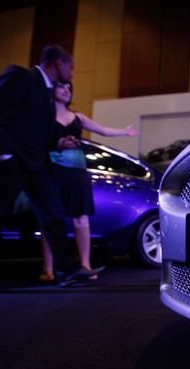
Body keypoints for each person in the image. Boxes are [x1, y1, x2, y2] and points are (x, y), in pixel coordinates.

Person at [0, 44, 104, 297]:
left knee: (53, 216)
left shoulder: (47, 91)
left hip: (39, 165)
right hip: (12, 163)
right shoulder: (21, 75)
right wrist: (5, 154)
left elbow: (35, 129)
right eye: (71, 68)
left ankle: (68, 271)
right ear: (59, 63)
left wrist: (57, 142)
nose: (72, 74)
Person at [39, 81, 138, 281]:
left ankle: (85, 266)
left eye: (69, 87)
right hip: (52, 170)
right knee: (51, 221)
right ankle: (48, 269)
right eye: (61, 86)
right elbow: (37, 140)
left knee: (81, 219)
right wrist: (57, 143)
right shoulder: (45, 115)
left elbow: (103, 130)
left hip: (76, 172)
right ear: (52, 90)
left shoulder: (78, 117)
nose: (66, 90)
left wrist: (124, 131)